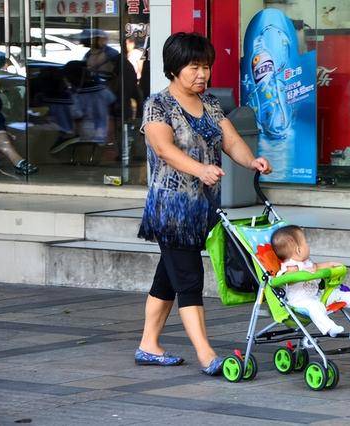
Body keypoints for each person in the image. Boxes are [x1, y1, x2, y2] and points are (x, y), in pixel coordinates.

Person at [136, 32, 272, 375]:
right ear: (174, 68)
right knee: (189, 280)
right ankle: (206, 355)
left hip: (203, 209)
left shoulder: (210, 103)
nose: (202, 74)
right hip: (172, 209)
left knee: (169, 277)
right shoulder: (158, 105)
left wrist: (251, 161)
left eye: (206, 67)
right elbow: (164, 149)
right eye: (194, 67)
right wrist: (200, 169)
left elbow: (231, 140)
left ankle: (148, 346)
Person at [271, 225, 350, 337]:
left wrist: (331, 265)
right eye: (305, 243)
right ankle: (330, 328)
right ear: (298, 250)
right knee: (315, 307)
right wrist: (302, 274)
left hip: (316, 296)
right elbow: (289, 278)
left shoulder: (306, 262)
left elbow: (317, 267)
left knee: (335, 293)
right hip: (301, 302)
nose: (308, 245)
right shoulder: (290, 267)